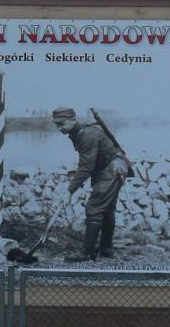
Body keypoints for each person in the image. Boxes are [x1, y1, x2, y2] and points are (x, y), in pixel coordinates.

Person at [52, 106, 129, 262]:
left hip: (112, 169)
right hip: (105, 168)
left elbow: (86, 167)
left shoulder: (87, 134)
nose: (59, 128)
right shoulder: (77, 132)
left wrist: (69, 191)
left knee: (94, 208)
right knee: (106, 209)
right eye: (56, 125)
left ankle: (87, 253)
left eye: (62, 124)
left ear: (73, 120)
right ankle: (106, 250)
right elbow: (89, 164)